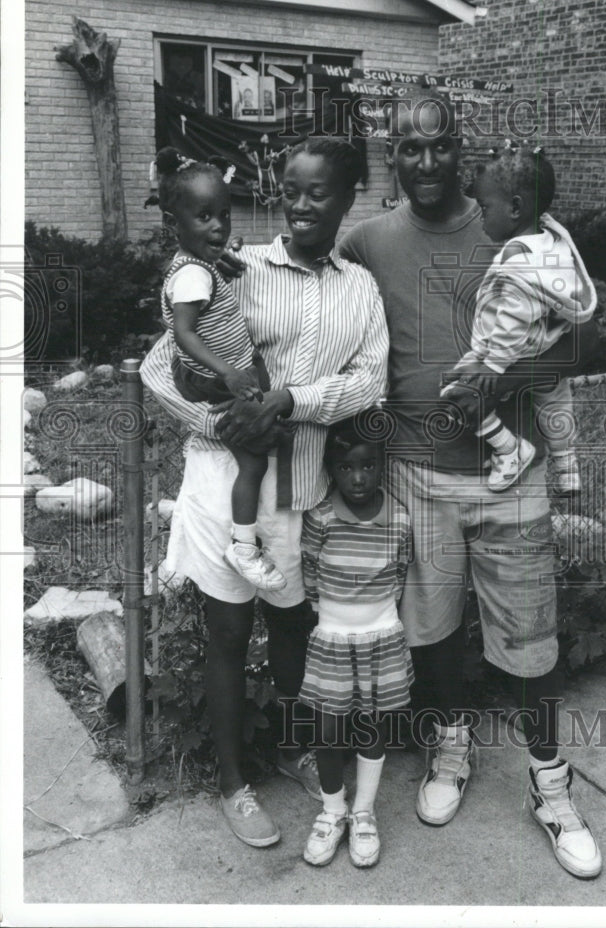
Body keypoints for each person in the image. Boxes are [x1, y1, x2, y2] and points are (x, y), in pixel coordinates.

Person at [338, 93, 602, 879]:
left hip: (507, 474)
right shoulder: (369, 242)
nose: (424, 162)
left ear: (462, 150)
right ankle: (448, 748)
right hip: (415, 476)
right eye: (408, 149)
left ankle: (551, 786)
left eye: (439, 147)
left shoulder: (519, 232)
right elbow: (319, 312)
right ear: (392, 154)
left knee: (531, 639)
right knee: (434, 633)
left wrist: (504, 382)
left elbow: (587, 340)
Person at [140, 137, 389, 848]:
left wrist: (288, 401)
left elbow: (368, 384)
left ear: (349, 198)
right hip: (226, 478)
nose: (301, 204)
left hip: (299, 485)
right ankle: (230, 781)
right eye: (291, 189)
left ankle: (292, 746)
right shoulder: (237, 270)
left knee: (290, 625)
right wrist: (221, 422)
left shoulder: (359, 289)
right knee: (227, 633)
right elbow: (162, 367)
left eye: (319, 193)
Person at [154, 146, 286, 592]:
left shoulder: (198, 266)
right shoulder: (192, 276)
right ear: (175, 225)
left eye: (224, 215)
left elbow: (209, 288)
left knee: (261, 419)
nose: (218, 226)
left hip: (217, 373)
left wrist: (221, 257)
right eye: (204, 217)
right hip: (212, 380)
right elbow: (186, 334)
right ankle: (243, 545)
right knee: (252, 462)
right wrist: (228, 372)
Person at [441, 142, 597, 495]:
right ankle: (567, 465)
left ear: (514, 207)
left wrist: (493, 369)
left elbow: (514, 314)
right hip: (546, 342)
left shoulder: (516, 260)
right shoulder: (551, 240)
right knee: (555, 399)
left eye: (484, 208)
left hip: (512, 350)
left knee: (455, 391)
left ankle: (508, 448)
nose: (480, 217)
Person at [298, 415, 413, 868]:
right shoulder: (321, 518)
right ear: (330, 470)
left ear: (382, 465)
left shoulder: (399, 518)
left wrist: (378, 619)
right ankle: (332, 811)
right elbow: (309, 573)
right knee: (329, 729)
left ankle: (364, 812)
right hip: (332, 637)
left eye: (367, 466)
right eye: (346, 468)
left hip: (381, 635)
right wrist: (331, 620)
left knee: (372, 725)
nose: (358, 477)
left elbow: (399, 573)